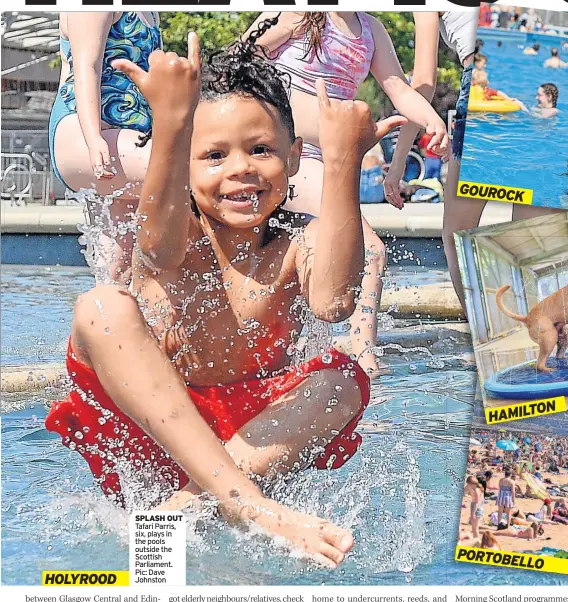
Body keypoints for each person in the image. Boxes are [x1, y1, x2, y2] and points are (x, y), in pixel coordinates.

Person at [44, 26, 407, 568]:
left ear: (294, 155)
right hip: (154, 431)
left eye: (261, 150)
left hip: (251, 442)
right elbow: (159, 247)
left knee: (341, 381)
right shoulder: (176, 236)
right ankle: (248, 506)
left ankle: (185, 508)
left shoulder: (295, 245)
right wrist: (169, 125)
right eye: (213, 155)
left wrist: (342, 163)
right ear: (183, 166)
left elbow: (334, 303)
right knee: (100, 308)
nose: (240, 168)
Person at [246, 12, 449, 376]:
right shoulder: (295, 12)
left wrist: (432, 120)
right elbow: (239, 63)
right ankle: (363, 356)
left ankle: (310, 354)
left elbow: (400, 88)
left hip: (331, 161)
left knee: (320, 255)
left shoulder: (370, 29)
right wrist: (275, 35)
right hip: (287, 156)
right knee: (369, 249)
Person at [49, 12, 162, 284]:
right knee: (185, 173)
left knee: (118, 269)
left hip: (129, 138)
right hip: (84, 132)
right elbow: (86, 68)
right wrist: (93, 137)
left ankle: (100, 324)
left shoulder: (152, 11)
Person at [382, 10, 480, 309]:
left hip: (487, 88)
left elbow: (423, 82)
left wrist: (399, 162)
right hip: (543, 83)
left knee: (458, 239)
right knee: (534, 236)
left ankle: (495, 335)